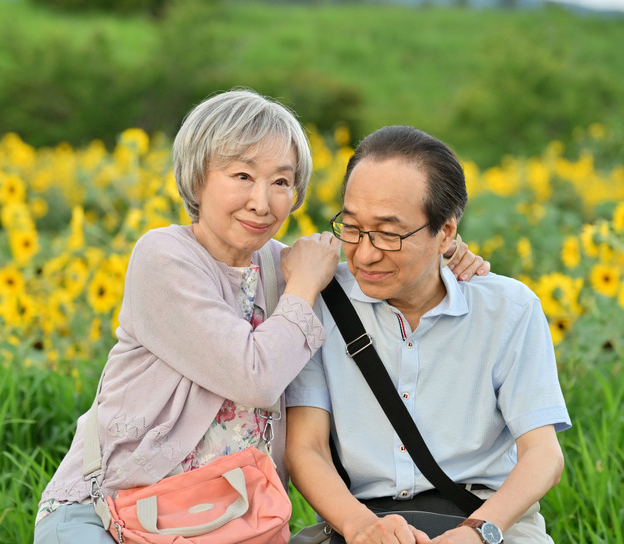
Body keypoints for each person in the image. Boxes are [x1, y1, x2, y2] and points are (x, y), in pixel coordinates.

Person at [33, 91, 489, 544]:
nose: (262, 201)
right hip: (113, 513)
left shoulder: (286, 268)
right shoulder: (164, 257)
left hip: (234, 524)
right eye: (242, 176)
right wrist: (305, 285)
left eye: (281, 182)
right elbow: (253, 376)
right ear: (197, 180)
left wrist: (446, 255)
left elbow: (384, 266)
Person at [285, 125, 571, 544]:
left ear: (446, 232)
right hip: (360, 521)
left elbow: (543, 454)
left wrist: (476, 533)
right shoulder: (319, 301)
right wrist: (363, 527)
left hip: (489, 519)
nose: (365, 253)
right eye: (352, 227)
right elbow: (306, 447)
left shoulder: (507, 308)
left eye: (388, 233)